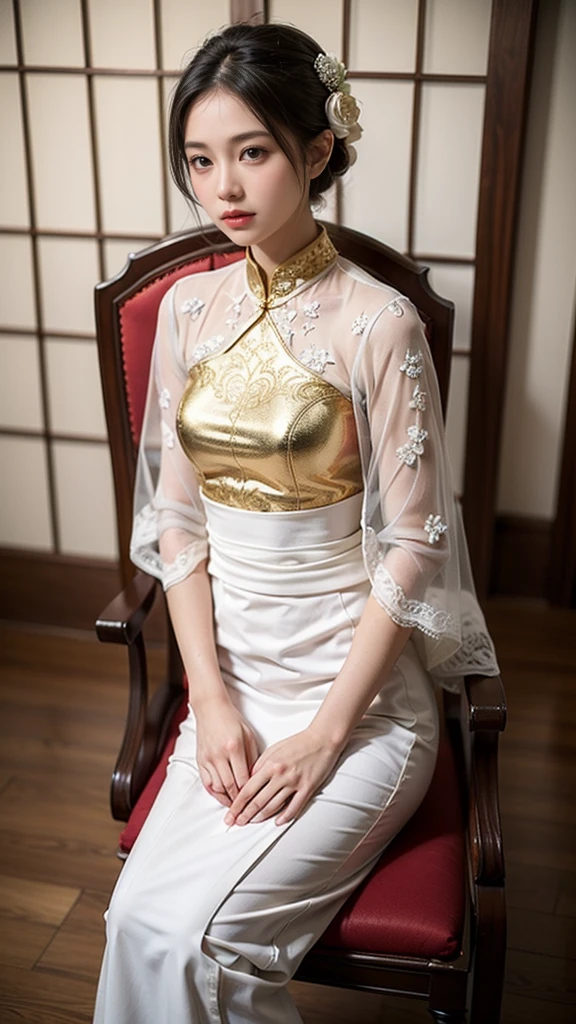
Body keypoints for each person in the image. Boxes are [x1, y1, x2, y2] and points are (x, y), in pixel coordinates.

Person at [94, 21, 498, 1024]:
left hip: (357, 711)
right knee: (136, 925)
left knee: (210, 941)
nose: (223, 187)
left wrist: (323, 735)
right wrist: (212, 704)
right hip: (234, 695)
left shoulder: (378, 321)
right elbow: (177, 527)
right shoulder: (187, 311)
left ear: (316, 153)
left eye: (252, 152)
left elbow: (414, 545)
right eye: (200, 160)